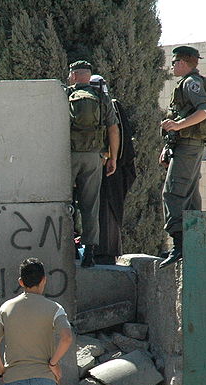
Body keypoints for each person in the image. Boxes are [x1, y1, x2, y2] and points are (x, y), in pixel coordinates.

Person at [159, 46, 206, 268]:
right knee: (190, 196)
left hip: (189, 146)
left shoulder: (191, 83)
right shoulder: (186, 83)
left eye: (174, 62)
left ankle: (180, 246)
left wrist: (179, 125)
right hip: (184, 145)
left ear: (182, 62)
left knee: (173, 192)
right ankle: (191, 244)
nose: (172, 66)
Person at [67, 60, 120, 268]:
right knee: (90, 205)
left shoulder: (65, 94)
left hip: (69, 156)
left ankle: (67, 247)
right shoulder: (101, 97)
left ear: (74, 75)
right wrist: (112, 157)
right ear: (88, 76)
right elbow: (113, 129)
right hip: (94, 157)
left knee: (65, 204)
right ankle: (89, 252)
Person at [89, 75, 138, 264]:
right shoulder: (111, 105)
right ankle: (103, 252)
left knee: (102, 208)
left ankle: (101, 252)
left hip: (105, 169)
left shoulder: (111, 106)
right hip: (111, 168)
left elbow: (118, 134)